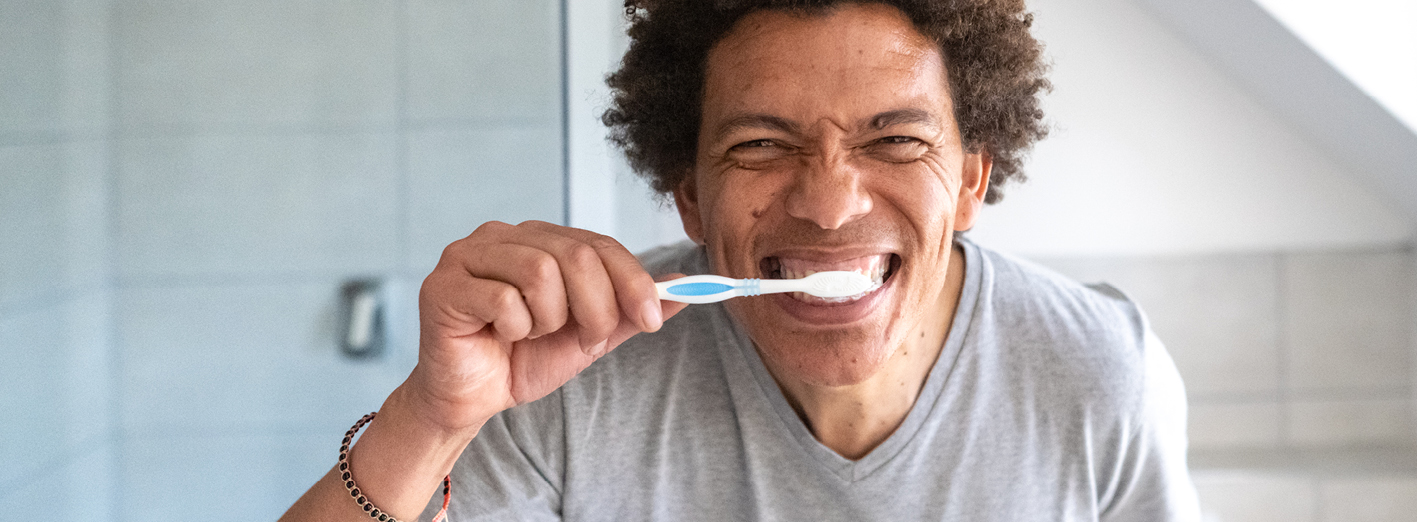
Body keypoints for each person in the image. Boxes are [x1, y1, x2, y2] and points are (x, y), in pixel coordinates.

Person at [283, 1, 1200, 520]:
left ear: (969, 179)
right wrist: (432, 417)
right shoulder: (567, 380)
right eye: (762, 145)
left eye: (894, 141)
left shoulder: (1095, 373)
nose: (829, 201)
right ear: (688, 192)